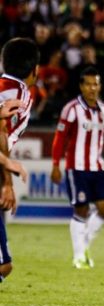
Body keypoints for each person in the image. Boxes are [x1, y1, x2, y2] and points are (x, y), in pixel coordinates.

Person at [51, 66, 104, 269]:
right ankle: (79, 257)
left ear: (100, 86)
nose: (92, 88)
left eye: (96, 84)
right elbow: (60, 138)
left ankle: (83, 246)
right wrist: (56, 164)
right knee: (81, 210)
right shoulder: (71, 109)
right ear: (81, 86)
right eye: (88, 84)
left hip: (97, 168)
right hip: (76, 167)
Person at [0, 37, 40, 284]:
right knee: (3, 265)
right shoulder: (19, 93)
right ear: (34, 70)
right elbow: (1, 129)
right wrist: (7, 182)